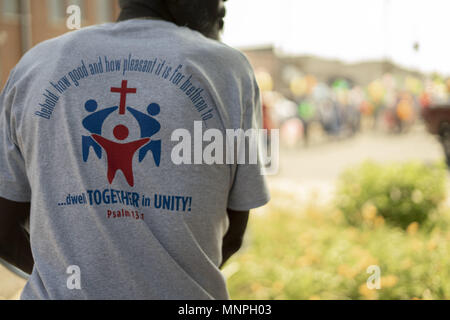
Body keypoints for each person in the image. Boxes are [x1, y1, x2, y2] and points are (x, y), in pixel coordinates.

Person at [0, 0, 269, 299]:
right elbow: (233, 234)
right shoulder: (229, 71)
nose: (223, 5)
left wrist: (75, 279)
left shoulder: (38, 64)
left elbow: (3, 231)